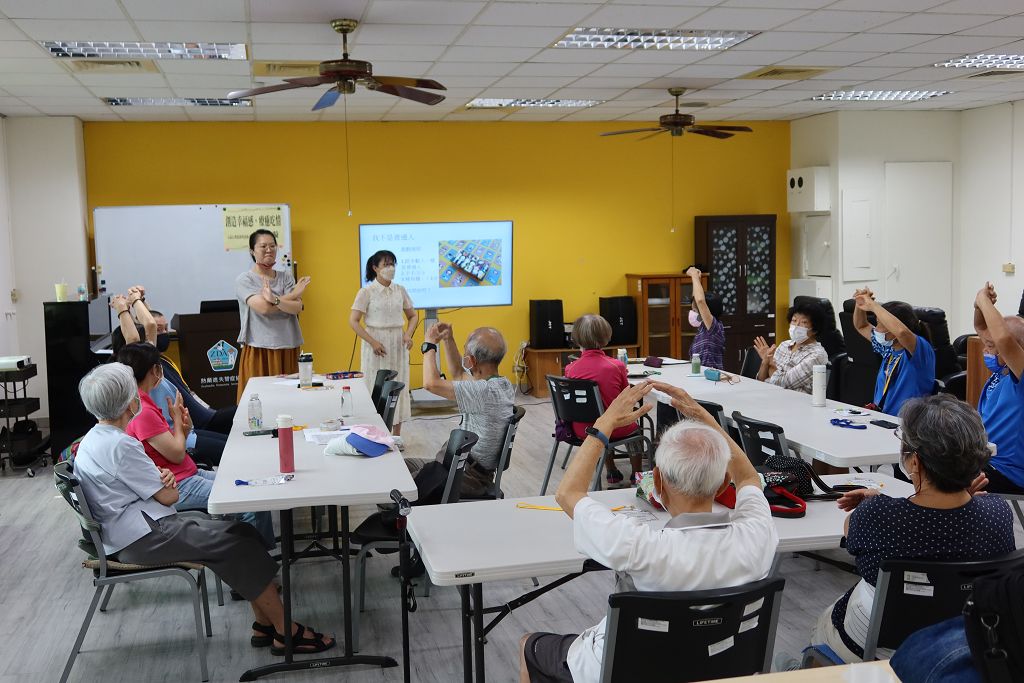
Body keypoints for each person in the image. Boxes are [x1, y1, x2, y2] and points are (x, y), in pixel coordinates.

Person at [520, 380, 777, 683]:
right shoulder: (757, 535)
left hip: (628, 670)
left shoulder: (638, 545)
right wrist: (705, 418)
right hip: (722, 667)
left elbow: (568, 493)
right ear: (723, 484)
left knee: (528, 644)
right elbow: (748, 478)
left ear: (656, 482)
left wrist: (604, 423)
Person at [72, 363, 334, 656]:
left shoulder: (92, 440)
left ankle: (264, 624)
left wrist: (162, 480)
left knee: (242, 532)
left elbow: (147, 487)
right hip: (144, 537)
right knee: (237, 544)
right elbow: (169, 496)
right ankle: (287, 631)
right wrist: (166, 481)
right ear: (127, 402)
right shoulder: (122, 446)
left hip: (132, 532)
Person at [808, 394, 1014, 664]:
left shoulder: (878, 515)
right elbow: (947, 524)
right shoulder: (998, 513)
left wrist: (877, 504)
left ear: (915, 462)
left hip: (881, 649)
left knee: (823, 624)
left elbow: (851, 529)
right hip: (964, 644)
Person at [117, 342, 275, 548]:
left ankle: (252, 551)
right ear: (155, 370)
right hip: (179, 484)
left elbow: (175, 445)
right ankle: (257, 558)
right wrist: (177, 420)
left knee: (253, 486)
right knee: (251, 500)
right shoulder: (143, 411)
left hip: (186, 474)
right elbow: (177, 454)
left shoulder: (141, 403)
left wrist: (184, 426)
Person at [110, 296, 228, 467]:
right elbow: (134, 338)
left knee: (232, 443)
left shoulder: (147, 362)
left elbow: (150, 325)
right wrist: (122, 309)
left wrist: (137, 301)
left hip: (187, 432)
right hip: (177, 438)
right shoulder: (134, 374)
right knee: (232, 451)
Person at [412, 322, 515, 500]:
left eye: (465, 351)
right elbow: (459, 374)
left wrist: (429, 345)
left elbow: (430, 384)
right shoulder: (502, 385)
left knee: (399, 483)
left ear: (472, 361)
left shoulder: (482, 392)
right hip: (463, 467)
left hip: (465, 475)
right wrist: (448, 339)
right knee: (403, 466)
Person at [564, 314, 644, 486]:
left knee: (601, 419)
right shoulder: (616, 366)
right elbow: (626, 397)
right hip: (612, 428)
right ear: (606, 336)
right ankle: (637, 474)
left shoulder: (570, 369)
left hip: (582, 429)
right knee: (630, 427)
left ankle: (611, 471)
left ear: (576, 338)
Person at [235, 229, 311, 402]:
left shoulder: (286, 277)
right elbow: (264, 309)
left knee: (290, 401)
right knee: (259, 400)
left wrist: (274, 300)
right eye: (263, 246)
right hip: (259, 348)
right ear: (252, 251)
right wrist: (292, 295)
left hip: (288, 346)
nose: (269, 250)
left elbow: (297, 308)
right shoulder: (244, 280)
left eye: (272, 246)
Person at [349, 250, 419, 435]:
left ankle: (396, 436)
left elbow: (413, 316)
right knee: (375, 385)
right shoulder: (366, 292)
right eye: (386, 264)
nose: (390, 268)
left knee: (398, 385)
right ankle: (376, 434)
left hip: (398, 343)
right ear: (375, 268)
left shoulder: (400, 290)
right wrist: (372, 342)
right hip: (376, 344)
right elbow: (353, 321)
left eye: (392, 264)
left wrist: (408, 334)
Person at [149, 308, 236, 436]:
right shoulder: (152, 364)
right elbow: (147, 325)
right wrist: (135, 302)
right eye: (158, 330)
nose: (165, 333)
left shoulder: (165, 360)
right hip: (201, 423)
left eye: (166, 328)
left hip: (209, 414)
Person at [852, 288, 935, 416]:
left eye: (880, 323)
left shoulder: (920, 351)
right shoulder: (889, 349)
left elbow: (902, 332)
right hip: (882, 418)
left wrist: (873, 306)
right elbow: (861, 326)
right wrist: (860, 304)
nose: (876, 329)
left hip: (907, 422)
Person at [974, 282, 1024, 494]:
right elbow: (981, 327)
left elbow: (1003, 339)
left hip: (1007, 471)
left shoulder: (1020, 375)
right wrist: (979, 305)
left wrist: (983, 299)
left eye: (990, 346)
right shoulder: (1001, 372)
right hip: (985, 458)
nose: (985, 351)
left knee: (939, 481)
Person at [753, 300, 828, 394]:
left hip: (795, 401)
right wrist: (765, 362)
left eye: (803, 322)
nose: (796, 326)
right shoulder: (784, 345)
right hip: (769, 394)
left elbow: (782, 383)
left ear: (815, 330)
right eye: (794, 320)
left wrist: (771, 364)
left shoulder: (817, 355)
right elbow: (760, 380)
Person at [685, 267, 725, 370]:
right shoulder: (703, 326)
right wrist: (697, 280)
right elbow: (697, 300)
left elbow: (700, 301)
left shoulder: (714, 328)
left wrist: (694, 275)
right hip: (699, 374)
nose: (693, 313)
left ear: (706, 311)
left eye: (695, 310)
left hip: (711, 377)